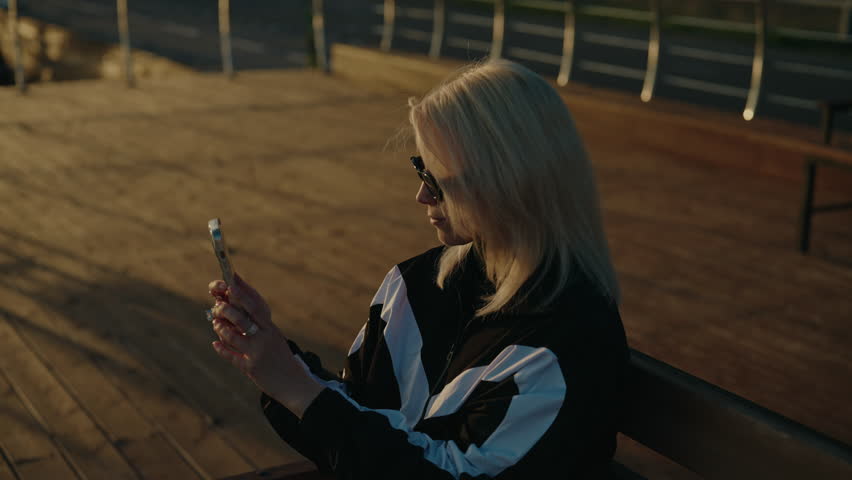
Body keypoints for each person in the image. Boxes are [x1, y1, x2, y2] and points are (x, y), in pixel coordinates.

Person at [206, 58, 630, 479]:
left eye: (437, 180)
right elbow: (360, 412)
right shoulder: (415, 285)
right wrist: (274, 357)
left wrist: (297, 389)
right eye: (420, 169)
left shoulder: (565, 339)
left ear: (506, 183)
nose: (422, 197)